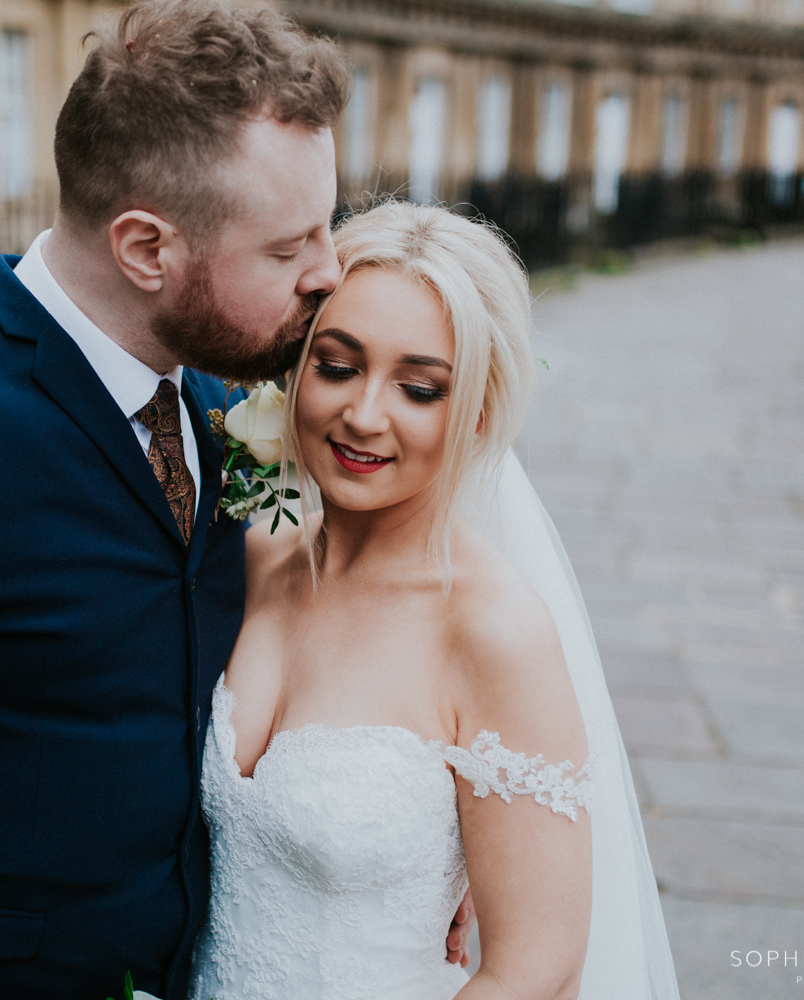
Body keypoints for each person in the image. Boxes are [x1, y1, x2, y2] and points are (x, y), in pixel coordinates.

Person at [0, 3, 478, 998]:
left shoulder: (219, 402)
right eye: (289, 248)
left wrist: (423, 844)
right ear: (146, 248)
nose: (329, 270)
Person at [190, 202, 681, 1000]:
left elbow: (536, 970)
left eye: (419, 388)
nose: (364, 413)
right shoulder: (246, 560)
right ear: (297, 367)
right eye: (338, 366)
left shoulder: (494, 632)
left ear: (477, 415)